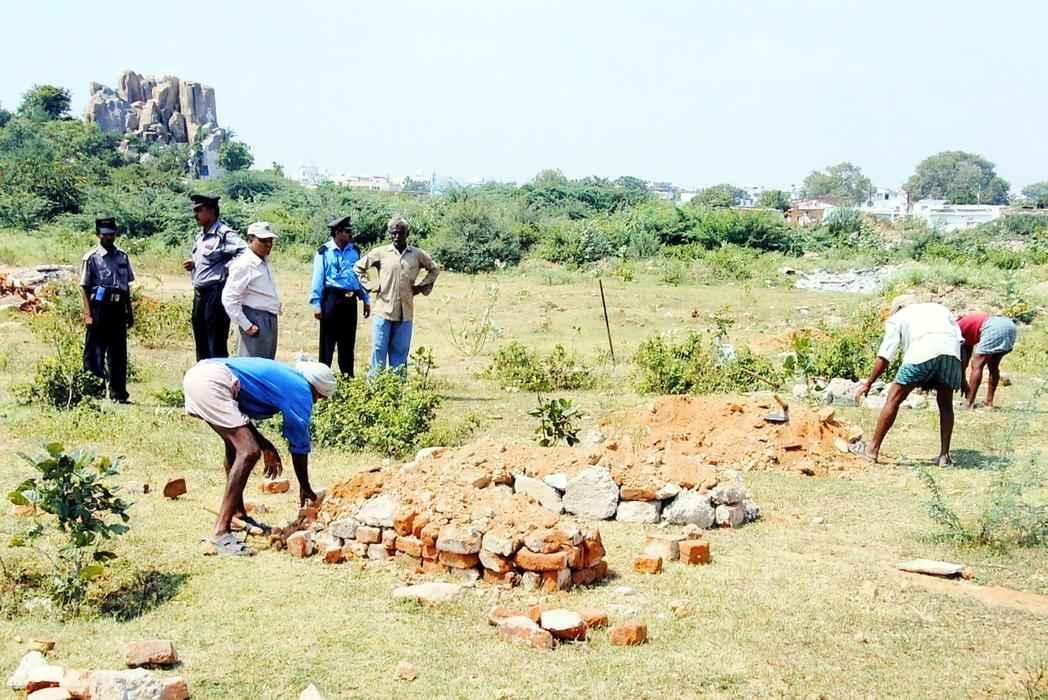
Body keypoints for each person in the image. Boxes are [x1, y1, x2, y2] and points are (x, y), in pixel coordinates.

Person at [182, 357, 336, 555]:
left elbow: (242, 420)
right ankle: (220, 532)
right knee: (249, 451)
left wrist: (265, 444)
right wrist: (305, 486)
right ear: (317, 389)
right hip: (212, 382)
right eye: (320, 397)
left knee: (236, 447)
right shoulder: (302, 389)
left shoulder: (288, 377)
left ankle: (238, 514)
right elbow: (298, 441)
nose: (316, 401)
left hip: (201, 375)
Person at [855, 295, 963, 465]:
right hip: (951, 354)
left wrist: (868, 383)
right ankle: (944, 456)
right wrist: (961, 376)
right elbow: (959, 340)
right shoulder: (940, 309)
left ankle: (872, 450)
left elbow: (885, 354)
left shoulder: (898, 316)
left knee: (893, 400)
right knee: (946, 404)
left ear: (898, 308)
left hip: (921, 353)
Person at [353, 216, 439, 377]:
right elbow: (358, 267)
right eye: (393, 233)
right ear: (389, 234)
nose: (397, 236)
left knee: (400, 353)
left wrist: (421, 287)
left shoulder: (417, 254)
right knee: (378, 350)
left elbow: (434, 269)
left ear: (408, 233)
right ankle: (375, 387)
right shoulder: (380, 253)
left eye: (401, 233)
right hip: (383, 311)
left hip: (405, 313)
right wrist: (370, 286)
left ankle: (396, 388)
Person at [184, 194, 247, 360]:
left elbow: (245, 252)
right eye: (194, 210)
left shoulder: (223, 234)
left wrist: (227, 268)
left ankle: (219, 374)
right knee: (201, 339)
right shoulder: (200, 236)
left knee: (216, 342)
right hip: (200, 293)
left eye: (199, 210)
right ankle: (203, 374)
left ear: (211, 211)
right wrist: (194, 264)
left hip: (216, 293)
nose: (195, 214)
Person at [79, 217, 135, 403]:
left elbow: (126, 287)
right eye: (105, 235)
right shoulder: (91, 258)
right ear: (98, 235)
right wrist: (88, 314)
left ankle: (119, 394)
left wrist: (129, 311)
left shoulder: (122, 256)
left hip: (118, 308)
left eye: (112, 234)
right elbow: (84, 287)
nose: (109, 238)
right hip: (99, 308)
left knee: (118, 353)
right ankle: (92, 392)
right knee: (95, 351)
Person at [310, 215, 371, 376]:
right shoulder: (324, 252)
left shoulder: (355, 251)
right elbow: (318, 278)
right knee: (327, 343)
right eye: (347, 231)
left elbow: (360, 277)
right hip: (331, 299)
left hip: (350, 301)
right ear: (337, 232)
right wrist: (316, 304)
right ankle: (322, 379)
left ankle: (347, 379)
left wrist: (365, 299)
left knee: (348, 343)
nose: (351, 234)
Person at [222, 222, 282, 359]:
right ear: (250, 240)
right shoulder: (244, 264)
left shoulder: (263, 261)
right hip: (255, 318)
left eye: (270, 240)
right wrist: (247, 325)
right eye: (263, 240)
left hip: (268, 319)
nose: (268, 244)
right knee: (251, 364)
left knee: (266, 364)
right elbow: (229, 298)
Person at [957, 312, 1017, 409]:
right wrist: (962, 379)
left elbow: (962, 359)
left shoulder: (956, 329)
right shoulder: (968, 322)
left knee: (977, 365)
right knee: (993, 365)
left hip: (993, 327)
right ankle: (989, 402)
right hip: (1009, 326)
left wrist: (962, 380)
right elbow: (966, 353)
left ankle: (968, 403)